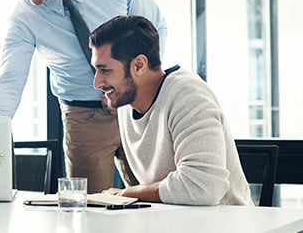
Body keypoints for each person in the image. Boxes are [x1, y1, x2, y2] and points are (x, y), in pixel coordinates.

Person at [0, 0, 168, 193]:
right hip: (84, 116)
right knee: (89, 207)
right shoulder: (23, 17)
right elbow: (10, 78)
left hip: (137, 106)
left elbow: (155, 29)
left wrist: (136, 88)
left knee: (153, 197)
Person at [90, 15, 253, 205]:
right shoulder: (126, 103)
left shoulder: (188, 95)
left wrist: (131, 193)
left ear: (139, 65)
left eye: (104, 70)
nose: (97, 83)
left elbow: (204, 187)